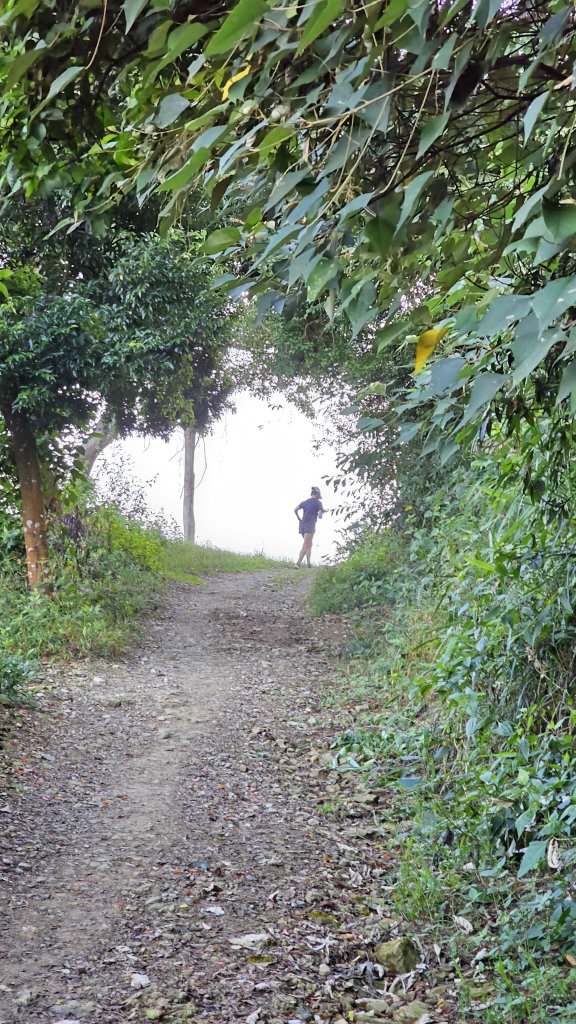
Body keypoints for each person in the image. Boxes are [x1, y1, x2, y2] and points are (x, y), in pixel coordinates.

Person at [294, 486, 324, 567]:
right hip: (310, 525)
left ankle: (308, 563)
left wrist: (298, 518)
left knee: (310, 544)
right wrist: (321, 512)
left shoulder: (305, 502)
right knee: (306, 544)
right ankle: (297, 564)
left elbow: (295, 509)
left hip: (302, 525)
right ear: (317, 494)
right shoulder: (318, 503)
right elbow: (320, 516)